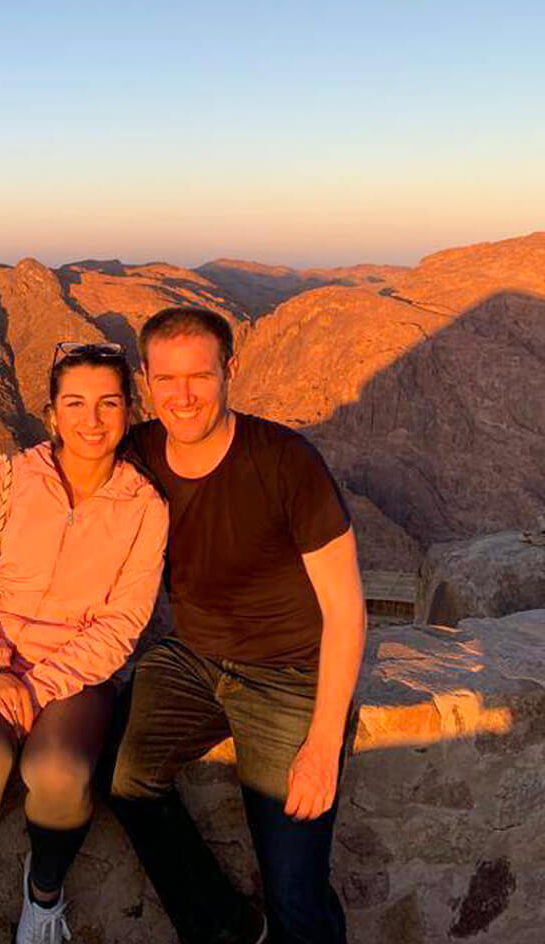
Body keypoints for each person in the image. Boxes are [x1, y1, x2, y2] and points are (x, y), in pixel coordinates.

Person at [109, 306, 366, 944]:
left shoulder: (285, 462)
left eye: (199, 376)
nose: (183, 396)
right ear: (145, 380)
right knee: (123, 776)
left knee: (296, 893)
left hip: (289, 675)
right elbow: (59, 482)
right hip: (193, 659)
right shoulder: (141, 451)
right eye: (166, 379)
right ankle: (226, 928)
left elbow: (345, 608)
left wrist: (323, 745)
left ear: (230, 370)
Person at [0, 342, 169, 944]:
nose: (92, 420)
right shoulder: (9, 477)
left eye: (108, 403)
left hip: (75, 670)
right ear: (52, 413)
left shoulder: (145, 507)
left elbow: (122, 623)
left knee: (59, 774)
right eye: (75, 403)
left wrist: (37, 686)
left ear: (130, 410)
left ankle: (44, 897)